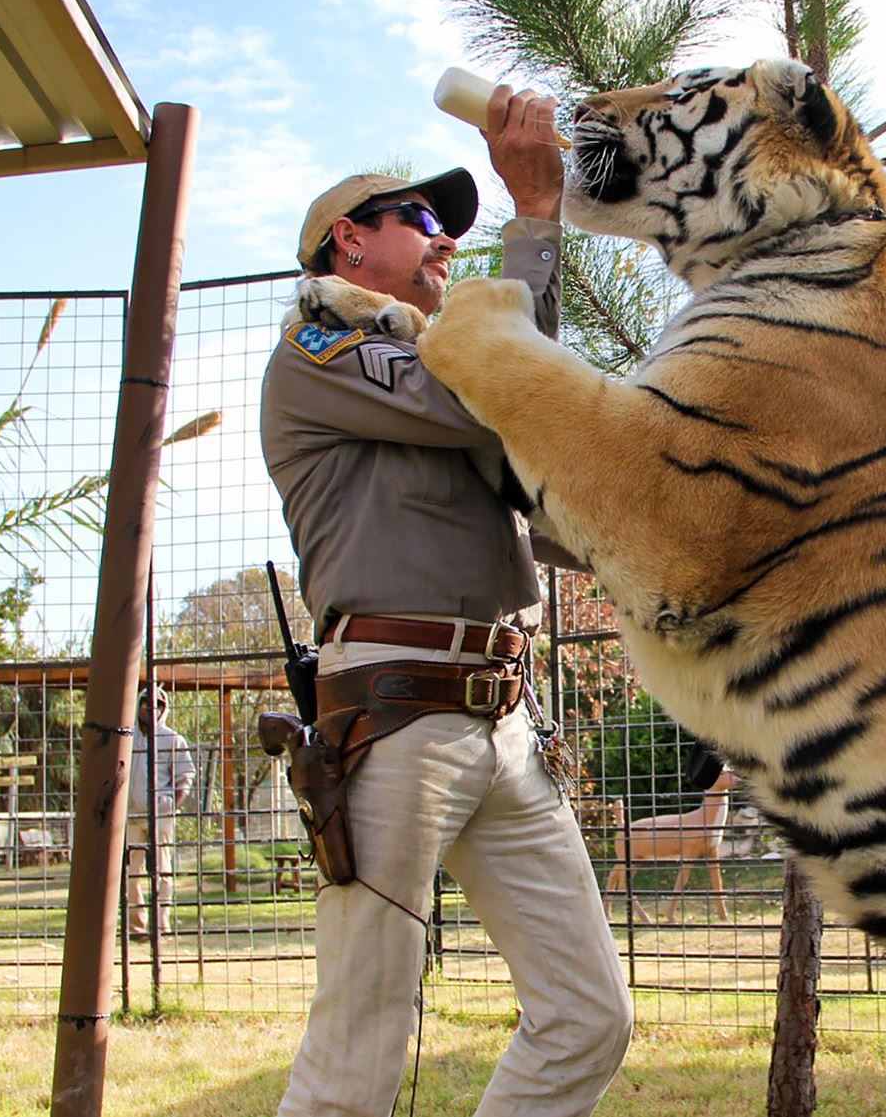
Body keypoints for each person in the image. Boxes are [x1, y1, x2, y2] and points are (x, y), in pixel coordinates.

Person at [260, 84, 632, 1117]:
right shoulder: (320, 348)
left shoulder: (440, 376)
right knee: (356, 1054)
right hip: (392, 714)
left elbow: (546, 460)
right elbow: (500, 391)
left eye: (455, 231)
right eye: (422, 220)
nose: (444, 246)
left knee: (589, 1016)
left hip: (503, 719)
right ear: (348, 242)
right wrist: (535, 222)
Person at [126, 684, 195, 940]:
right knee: (131, 874)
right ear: (139, 704)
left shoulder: (172, 738)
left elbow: (185, 777)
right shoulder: (127, 736)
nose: (151, 708)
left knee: (163, 872)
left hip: (161, 815)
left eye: (158, 704)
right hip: (130, 816)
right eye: (146, 702)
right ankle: (137, 927)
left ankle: (161, 925)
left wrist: (172, 804)